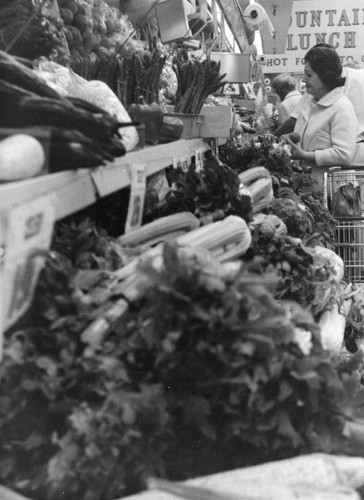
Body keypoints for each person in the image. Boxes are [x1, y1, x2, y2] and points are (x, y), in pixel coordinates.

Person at [283, 45, 358, 191]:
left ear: (326, 76)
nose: (304, 79)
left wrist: (305, 155)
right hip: (310, 188)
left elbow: (344, 154)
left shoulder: (342, 108)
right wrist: (290, 140)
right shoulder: (312, 103)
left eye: (309, 75)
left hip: (333, 195)